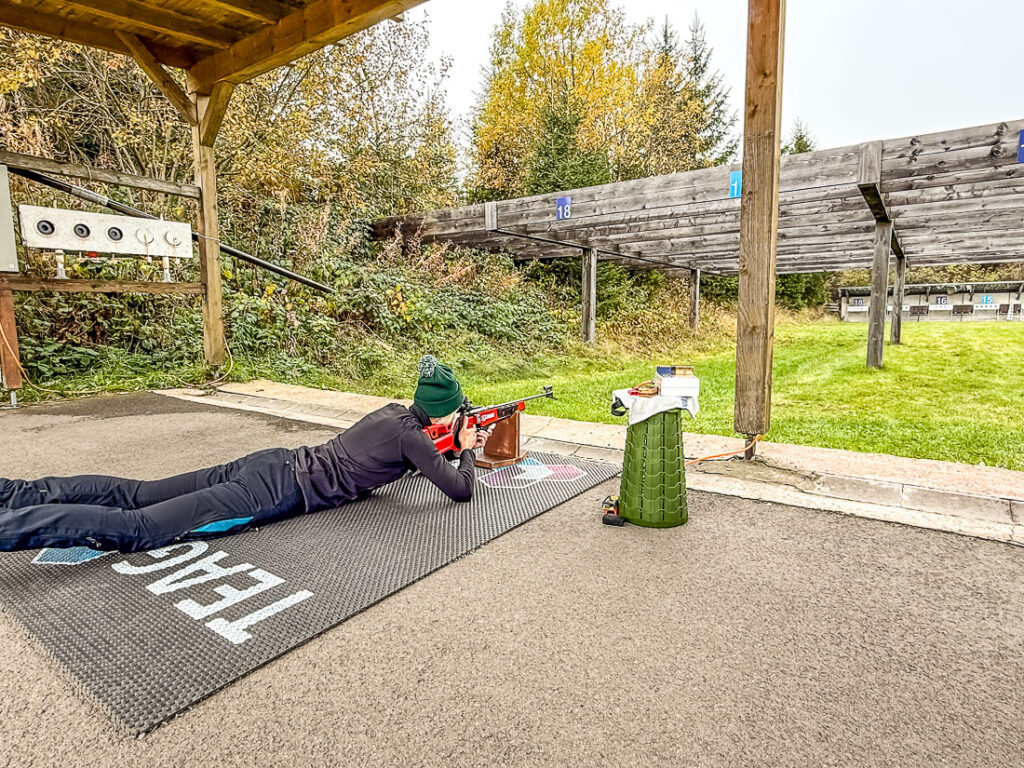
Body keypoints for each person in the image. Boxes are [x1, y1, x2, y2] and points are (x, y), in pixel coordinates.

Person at [0, 355, 487, 553]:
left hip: (270, 461)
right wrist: (465, 449)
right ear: (445, 413)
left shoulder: (392, 414)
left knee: (137, 494)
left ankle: (14, 493)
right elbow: (460, 490)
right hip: (270, 493)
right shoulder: (414, 439)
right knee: (140, 528)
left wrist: (445, 443)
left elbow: (401, 456)